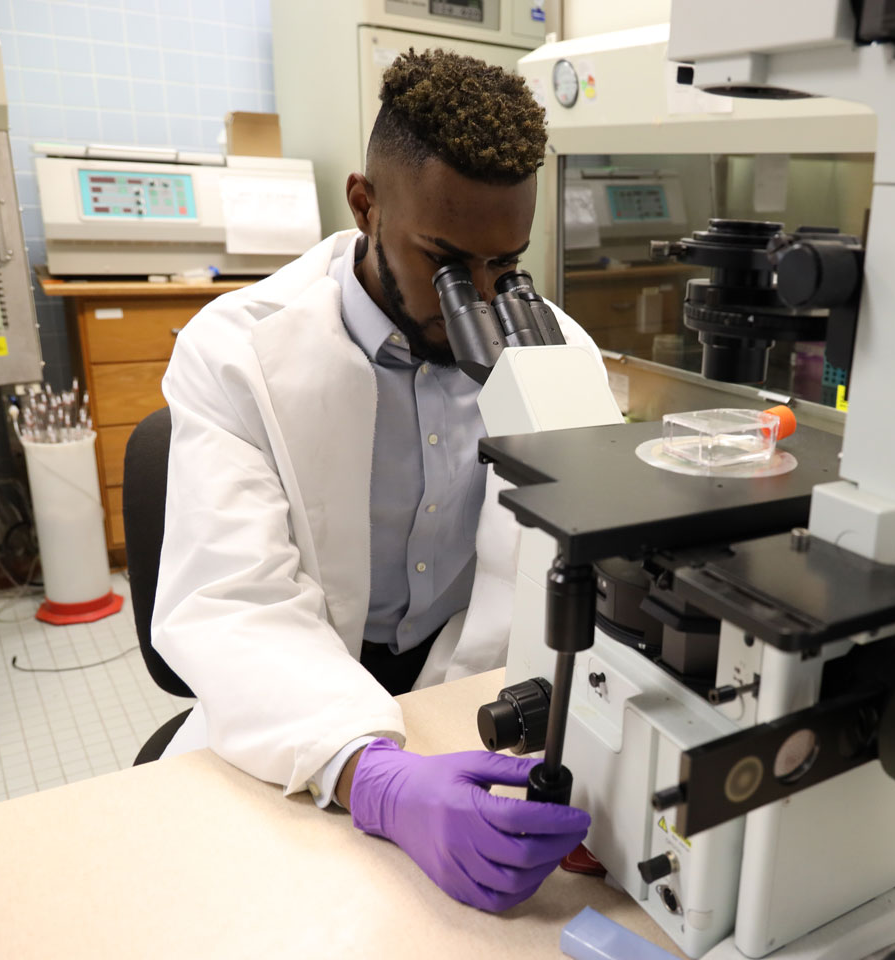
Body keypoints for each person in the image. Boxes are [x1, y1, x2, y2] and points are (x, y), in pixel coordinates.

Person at [150, 49, 596, 912]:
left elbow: (583, 559)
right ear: (364, 202)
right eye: (445, 260)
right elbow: (233, 602)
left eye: (504, 264)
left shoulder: (556, 351)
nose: (478, 293)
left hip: (466, 696)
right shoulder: (235, 349)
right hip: (294, 701)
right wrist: (379, 779)